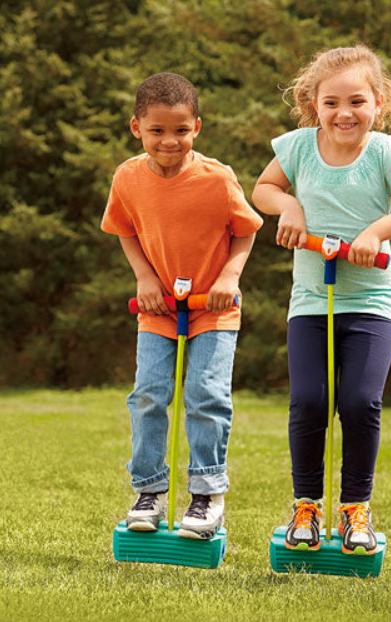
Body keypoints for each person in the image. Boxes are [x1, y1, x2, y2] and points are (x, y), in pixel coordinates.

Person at [252, 45, 391, 554]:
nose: (344, 113)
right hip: (312, 300)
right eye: (331, 102)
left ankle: (356, 508)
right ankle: (306, 506)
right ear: (313, 103)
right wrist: (287, 203)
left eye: (357, 101)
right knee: (310, 400)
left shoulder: (385, 153)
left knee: (359, 402)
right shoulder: (296, 148)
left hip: (372, 302)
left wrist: (377, 231)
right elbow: (262, 190)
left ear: (379, 102)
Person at [101, 72, 263, 538]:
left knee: (205, 396)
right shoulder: (128, 177)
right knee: (149, 395)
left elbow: (246, 230)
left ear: (198, 127)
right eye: (157, 131)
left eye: (180, 130)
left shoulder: (217, 178)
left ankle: (206, 496)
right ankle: (148, 491)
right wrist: (145, 276)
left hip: (213, 307)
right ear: (137, 128)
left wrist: (230, 276)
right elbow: (125, 229)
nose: (169, 141)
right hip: (158, 309)